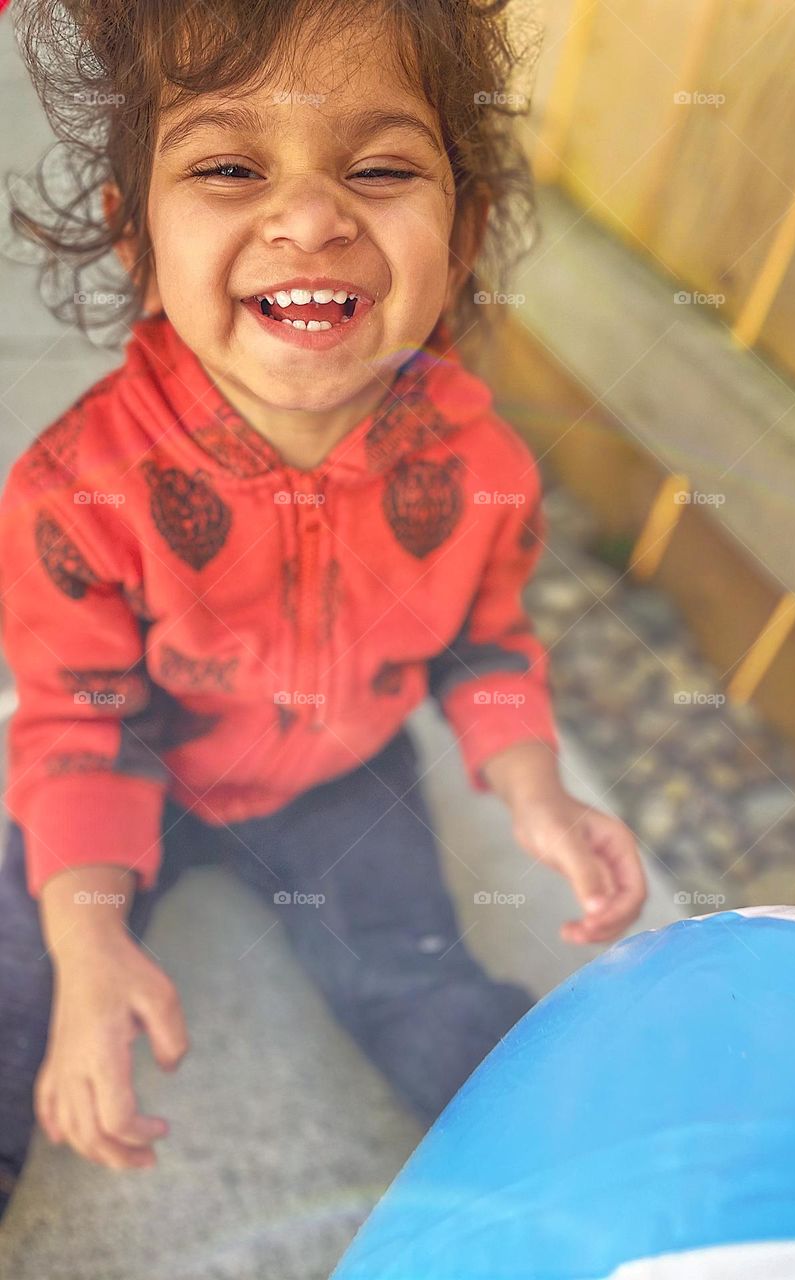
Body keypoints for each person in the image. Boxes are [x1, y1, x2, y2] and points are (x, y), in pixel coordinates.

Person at [0, 0, 647, 1224]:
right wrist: (90, 944)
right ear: (136, 238)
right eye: (230, 169)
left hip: (344, 777)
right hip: (135, 763)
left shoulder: (478, 465)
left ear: (462, 235)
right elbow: (80, 722)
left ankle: (578, 1182)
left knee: (421, 979)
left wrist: (535, 789)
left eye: (380, 169)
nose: (308, 217)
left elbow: (486, 642)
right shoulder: (74, 492)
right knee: (26, 963)